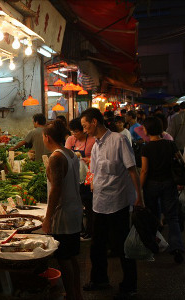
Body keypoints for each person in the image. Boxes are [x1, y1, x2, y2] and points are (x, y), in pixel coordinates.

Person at [80, 108, 143, 300]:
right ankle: (100, 279)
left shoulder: (118, 140)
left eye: (85, 126)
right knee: (97, 245)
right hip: (100, 202)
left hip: (118, 202)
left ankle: (130, 285)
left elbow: (132, 170)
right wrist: (91, 183)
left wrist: (139, 197)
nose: (84, 130)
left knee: (123, 246)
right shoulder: (97, 145)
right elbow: (95, 169)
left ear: (94, 122)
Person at [42, 120, 84, 300]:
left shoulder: (56, 157)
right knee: (72, 256)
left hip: (63, 214)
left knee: (64, 258)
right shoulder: (71, 154)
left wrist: (48, 217)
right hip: (74, 210)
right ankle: (76, 294)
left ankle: (73, 296)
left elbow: (56, 189)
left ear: (47, 137)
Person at [140, 116, 185, 264]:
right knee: (172, 217)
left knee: (152, 216)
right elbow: (180, 160)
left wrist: (139, 187)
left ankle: (154, 245)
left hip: (152, 184)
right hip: (169, 183)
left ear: (148, 130)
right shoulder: (170, 144)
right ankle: (177, 247)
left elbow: (144, 170)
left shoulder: (146, 148)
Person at [65, 118, 96, 240]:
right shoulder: (70, 139)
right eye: (72, 132)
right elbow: (67, 154)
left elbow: (97, 158)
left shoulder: (92, 140)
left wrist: (89, 160)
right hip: (74, 175)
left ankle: (90, 230)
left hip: (89, 174)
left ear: (83, 130)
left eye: (76, 132)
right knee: (76, 203)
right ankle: (79, 229)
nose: (74, 135)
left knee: (89, 202)